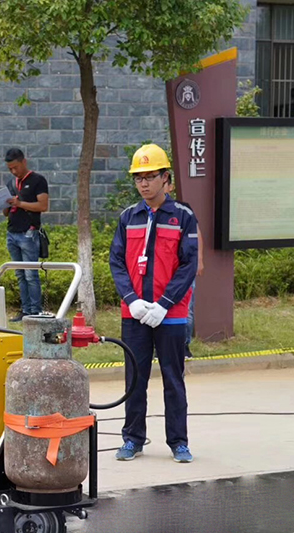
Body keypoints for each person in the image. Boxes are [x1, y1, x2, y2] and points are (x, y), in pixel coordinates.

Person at [109, 143, 198, 464]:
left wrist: (164, 304)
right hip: (134, 314)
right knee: (135, 379)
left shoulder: (183, 217)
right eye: (139, 178)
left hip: (170, 314)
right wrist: (132, 301)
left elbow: (188, 265)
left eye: (150, 176)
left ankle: (179, 442)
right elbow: (117, 262)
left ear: (166, 178)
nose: (144, 183)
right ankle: (132, 439)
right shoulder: (128, 217)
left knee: (173, 379)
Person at [2, 147, 49, 320]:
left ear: (24, 162)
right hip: (12, 232)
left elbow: (43, 206)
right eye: (10, 169)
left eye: (16, 167)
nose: (14, 171)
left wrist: (20, 203)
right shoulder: (11, 183)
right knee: (20, 274)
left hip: (29, 233)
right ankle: (25, 310)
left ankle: (35, 311)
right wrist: (5, 204)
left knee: (31, 275)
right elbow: (5, 213)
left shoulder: (37, 180)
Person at [162, 180, 205, 358]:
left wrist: (199, 260)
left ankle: (184, 346)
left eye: (164, 184)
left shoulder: (183, 210)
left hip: (184, 269)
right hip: (162, 271)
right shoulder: (147, 211)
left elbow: (196, 234)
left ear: (170, 187)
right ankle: (160, 347)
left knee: (186, 308)